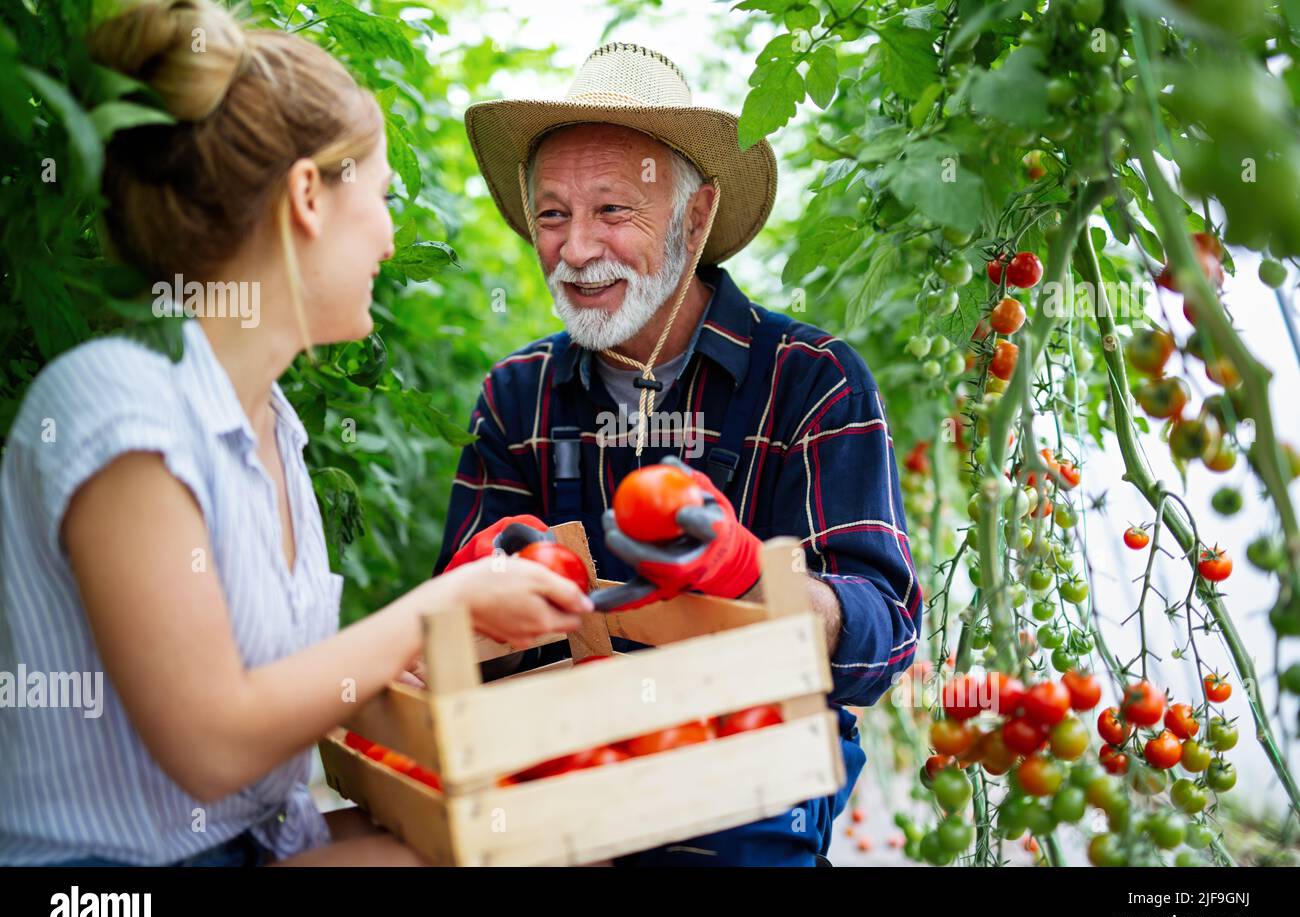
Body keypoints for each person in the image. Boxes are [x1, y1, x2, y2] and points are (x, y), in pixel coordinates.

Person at [0, 0, 591, 867]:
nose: (391, 239)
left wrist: (418, 663)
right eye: (382, 198)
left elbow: (277, 699)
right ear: (307, 195)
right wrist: (436, 610)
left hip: (252, 844)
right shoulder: (121, 410)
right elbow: (211, 746)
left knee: (556, 839)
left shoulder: (271, 426)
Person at [437, 43, 922, 865]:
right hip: (561, 780)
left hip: (752, 793)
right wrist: (482, 575)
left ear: (693, 220)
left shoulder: (811, 380)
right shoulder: (518, 395)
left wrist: (751, 576)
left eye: (612, 211)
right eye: (552, 214)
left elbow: (886, 637)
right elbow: (459, 639)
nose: (577, 249)